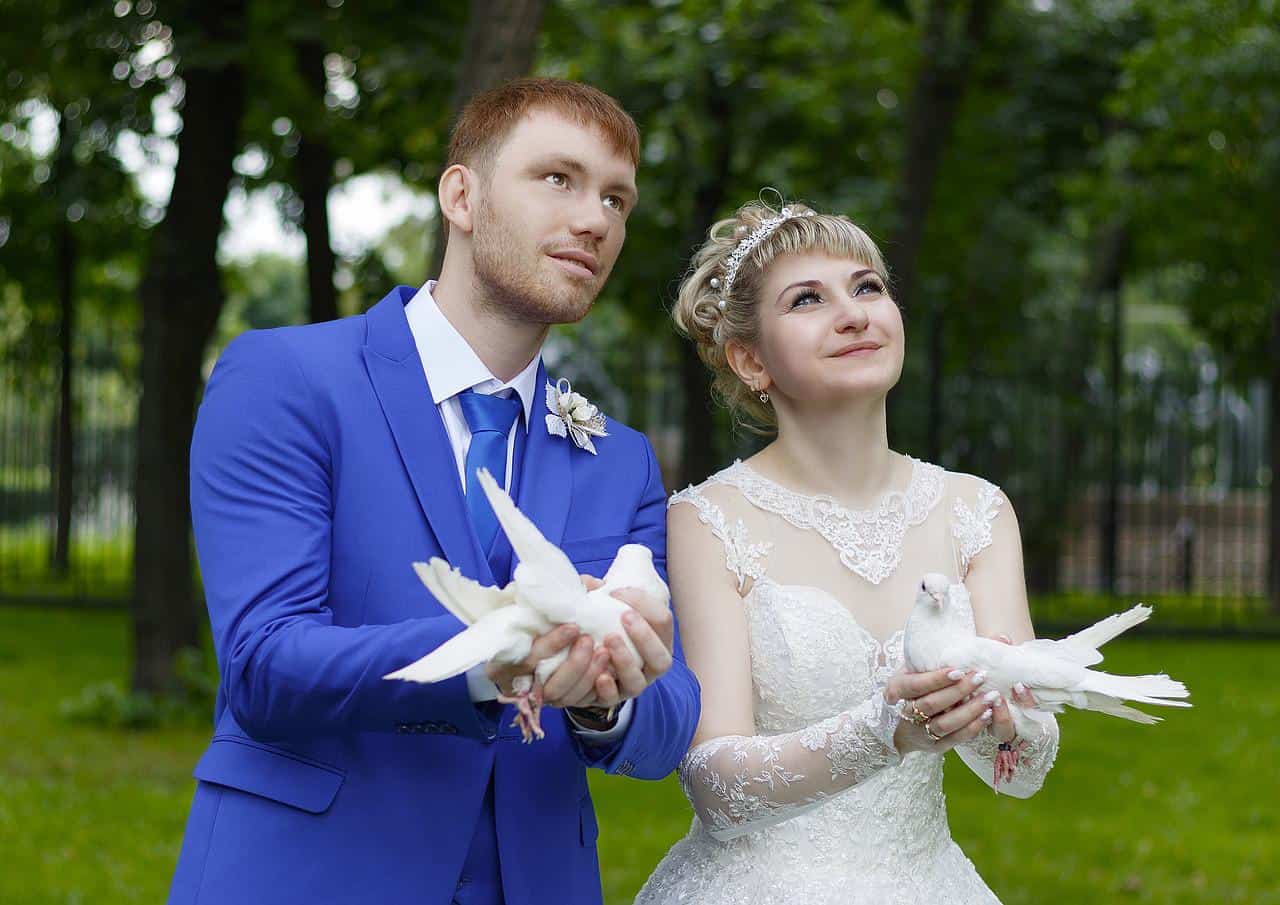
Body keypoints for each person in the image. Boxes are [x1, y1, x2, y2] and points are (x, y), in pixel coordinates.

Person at [167, 78, 700, 905]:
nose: (596, 219)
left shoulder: (618, 459)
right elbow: (263, 661)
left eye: (617, 199)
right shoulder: (286, 379)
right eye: (559, 178)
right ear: (462, 194)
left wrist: (607, 703)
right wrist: (491, 662)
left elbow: (668, 720)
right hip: (309, 875)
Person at [636, 199, 1059, 904]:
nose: (855, 312)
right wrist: (880, 731)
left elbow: (1023, 771)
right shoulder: (706, 520)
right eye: (809, 299)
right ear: (751, 359)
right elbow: (716, 787)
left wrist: (997, 724)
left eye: (868, 287)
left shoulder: (977, 512)